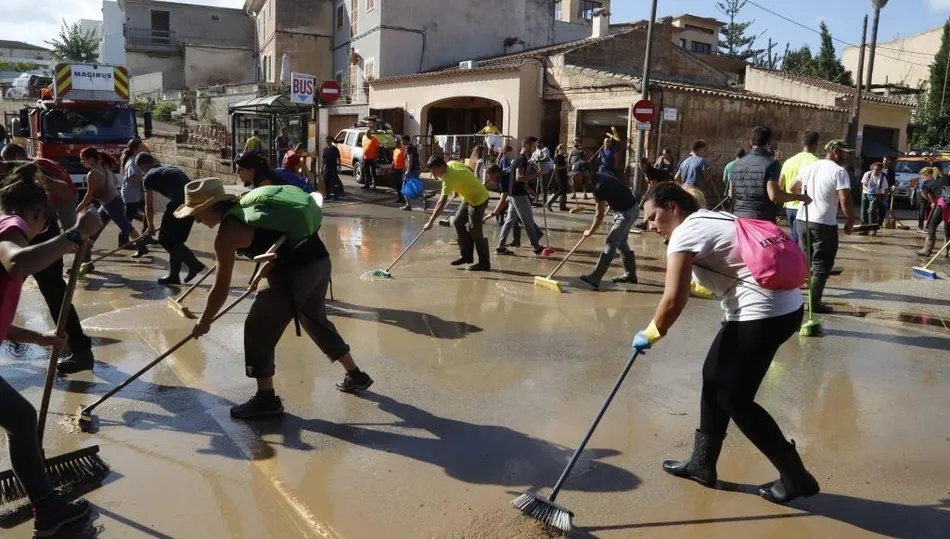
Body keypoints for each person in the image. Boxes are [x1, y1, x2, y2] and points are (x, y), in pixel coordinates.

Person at [636, 181, 818, 507]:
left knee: (735, 398)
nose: (650, 226)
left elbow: (674, 298)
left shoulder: (684, 233)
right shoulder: (715, 218)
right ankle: (701, 463)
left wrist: (651, 333)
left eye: (652, 217)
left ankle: (796, 476)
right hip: (785, 308)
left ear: (673, 207)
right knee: (714, 377)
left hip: (760, 315)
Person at [179, 178, 373, 419]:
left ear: (210, 207)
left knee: (257, 327)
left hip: (295, 272)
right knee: (314, 318)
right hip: (319, 261)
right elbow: (277, 240)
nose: (197, 220)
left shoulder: (227, 234)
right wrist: (264, 267)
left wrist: (204, 321)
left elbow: (221, 286)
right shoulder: (250, 209)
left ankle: (266, 400)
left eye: (197, 213)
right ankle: (356, 375)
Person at [0, 164, 100, 535]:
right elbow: (18, 263)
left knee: (21, 419)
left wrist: (39, 339)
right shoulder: (13, 230)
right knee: (22, 420)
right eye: (48, 223)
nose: (46, 230)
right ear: (37, 215)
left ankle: (48, 509)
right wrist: (75, 234)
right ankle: (48, 510)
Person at [0, 146, 98, 374]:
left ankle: (81, 350)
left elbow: (66, 191)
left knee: (54, 292)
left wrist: (74, 233)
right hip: (21, 231)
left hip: (35, 234)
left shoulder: (27, 168)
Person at [791, 140, 855, 314]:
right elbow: (844, 198)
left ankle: (795, 301)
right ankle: (815, 303)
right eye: (844, 152)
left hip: (803, 220)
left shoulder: (810, 167)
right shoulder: (839, 171)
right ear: (835, 151)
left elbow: (792, 187)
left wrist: (806, 200)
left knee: (805, 260)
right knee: (822, 263)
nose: (846, 155)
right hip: (823, 223)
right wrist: (850, 220)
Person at [137, 153, 206, 285]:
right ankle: (173, 276)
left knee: (165, 239)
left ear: (142, 166)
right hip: (192, 202)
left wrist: (150, 226)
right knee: (175, 241)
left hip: (179, 204)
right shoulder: (168, 168)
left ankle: (194, 264)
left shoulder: (149, 176)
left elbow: (148, 206)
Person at [76, 147, 148, 261]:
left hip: (111, 203)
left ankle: (142, 246)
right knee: (97, 227)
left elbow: (89, 195)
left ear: (90, 159)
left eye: (83, 160)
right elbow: (114, 181)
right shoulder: (104, 166)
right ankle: (86, 254)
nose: (82, 163)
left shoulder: (92, 174)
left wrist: (79, 207)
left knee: (126, 226)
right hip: (111, 200)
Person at [423, 156, 492, 271]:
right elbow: (468, 169)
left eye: (434, 170)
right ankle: (466, 256)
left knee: (475, 230)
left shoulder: (449, 178)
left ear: (441, 167)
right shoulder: (451, 163)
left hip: (479, 199)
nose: (433, 173)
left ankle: (484, 262)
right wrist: (458, 188)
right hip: (468, 197)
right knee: (457, 222)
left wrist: (430, 222)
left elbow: (441, 204)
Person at [729, 126, 810, 222]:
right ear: (769, 142)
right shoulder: (771, 164)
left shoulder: (736, 165)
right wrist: (799, 197)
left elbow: (731, 193)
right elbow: (774, 196)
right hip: (761, 220)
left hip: (738, 219)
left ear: (750, 141)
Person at [579, 172, 640, 289]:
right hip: (626, 209)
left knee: (611, 241)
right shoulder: (597, 176)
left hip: (627, 212)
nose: (574, 179)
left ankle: (595, 277)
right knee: (621, 242)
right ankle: (631, 274)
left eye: (577, 175)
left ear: (584, 172)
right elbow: (615, 187)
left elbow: (599, 215)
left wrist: (590, 231)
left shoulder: (598, 187)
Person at [497, 137, 544, 256]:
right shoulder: (522, 159)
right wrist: (535, 176)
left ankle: (501, 247)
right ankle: (536, 247)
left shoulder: (519, 158)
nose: (534, 148)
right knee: (527, 221)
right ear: (527, 146)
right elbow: (519, 177)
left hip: (515, 194)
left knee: (509, 221)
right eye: (533, 146)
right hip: (519, 195)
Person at [779, 132, 821, 245]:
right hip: (805, 207)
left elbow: (780, 184)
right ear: (816, 144)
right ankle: (795, 261)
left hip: (789, 207)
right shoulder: (816, 162)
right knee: (802, 241)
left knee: (795, 235)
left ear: (803, 143)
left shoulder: (789, 161)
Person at [118, 138, 146, 247]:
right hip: (131, 195)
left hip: (136, 194)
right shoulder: (131, 162)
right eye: (141, 147)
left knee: (148, 213)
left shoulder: (135, 159)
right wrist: (145, 176)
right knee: (127, 219)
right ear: (135, 149)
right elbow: (134, 178)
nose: (142, 149)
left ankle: (146, 236)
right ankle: (123, 241)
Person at [916, 167, 950, 257]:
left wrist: (933, 202)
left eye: (923, 177)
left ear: (928, 175)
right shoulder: (943, 179)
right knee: (947, 227)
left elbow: (926, 196)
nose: (923, 179)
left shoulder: (928, 184)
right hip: (947, 202)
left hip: (943, 204)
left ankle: (927, 250)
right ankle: (946, 251)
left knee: (932, 225)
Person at [859, 162, 887, 234]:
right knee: (864, 211)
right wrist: (868, 190)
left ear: (880, 170)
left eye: (877, 169)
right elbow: (863, 185)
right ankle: (864, 229)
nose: (875, 171)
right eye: (874, 169)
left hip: (876, 195)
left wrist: (884, 198)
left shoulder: (883, 177)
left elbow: (886, 188)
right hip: (866, 193)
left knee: (872, 211)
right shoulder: (867, 174)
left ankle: (873, 228)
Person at [400, 135, 426, 211]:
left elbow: (410, 159)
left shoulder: (408, 148)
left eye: (402, 141)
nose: (401, 142)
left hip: (411, 171)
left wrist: (407, 171)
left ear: (405, 140)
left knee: (404, 187)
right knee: (415, 187)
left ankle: (408, 205)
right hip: (415, 170)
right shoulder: (413, 147)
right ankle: (425, 201)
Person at [545, 144, 571, 211]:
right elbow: (555, 168)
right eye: (564, 149)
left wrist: (566, 161)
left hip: (564, 175)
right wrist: (564, 167)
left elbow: (566, 166)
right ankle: (549, 203)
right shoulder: (557, 157)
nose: (565, 150)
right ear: (560, 149)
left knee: (564, 191)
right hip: (559, 175)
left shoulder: (563, 157)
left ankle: (563, 206)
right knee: (560, 190)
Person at [917, 167, 936, 234]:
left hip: (927, 195)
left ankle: (927, 226)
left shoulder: (929, 178)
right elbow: (922, 192)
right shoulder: (923, 180)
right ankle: (920, 227)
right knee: (922, 210)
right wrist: (929, 200)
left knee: (929, 210)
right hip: (922, 195)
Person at [392, 137, 408, 208]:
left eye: (397, 142)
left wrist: (404, 170)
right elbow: (393, 160)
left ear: (400, 142)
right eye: (395, 142)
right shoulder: (395, 150)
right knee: (397, 185)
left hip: (401, 169)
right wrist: (391, 166)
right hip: (396, 169)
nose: (396, 143)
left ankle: (404, 199)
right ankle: (399, 198)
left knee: (402, 185)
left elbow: (405, 160)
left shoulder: (403, 150)